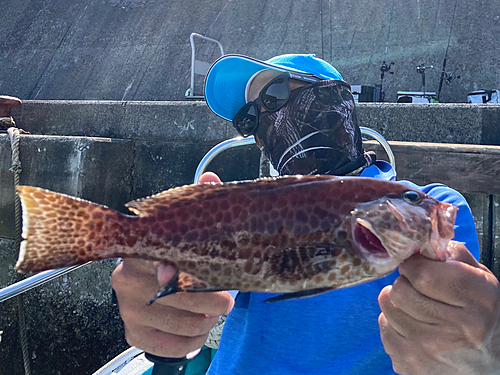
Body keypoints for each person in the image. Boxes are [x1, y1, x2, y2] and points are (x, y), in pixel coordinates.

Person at [111, 54, 500, 375]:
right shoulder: (255, 208)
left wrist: (479, 343)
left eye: (277, 94)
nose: (264, 120)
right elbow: (207, 288)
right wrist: (160, 289)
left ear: (336, 100)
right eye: (249, 117)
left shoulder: (426, 202)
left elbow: (454, 309)